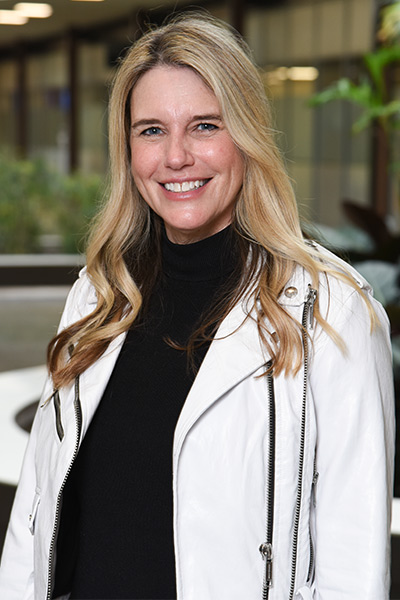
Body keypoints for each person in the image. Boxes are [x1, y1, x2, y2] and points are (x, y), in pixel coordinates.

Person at [0, 12, 395, 600]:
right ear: (127, 148)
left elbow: (353, 564)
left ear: (247, 134)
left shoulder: (331, 313)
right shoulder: (100, 293)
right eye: (152, 130)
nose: (177, 156)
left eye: (205, 126)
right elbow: (34, 513)